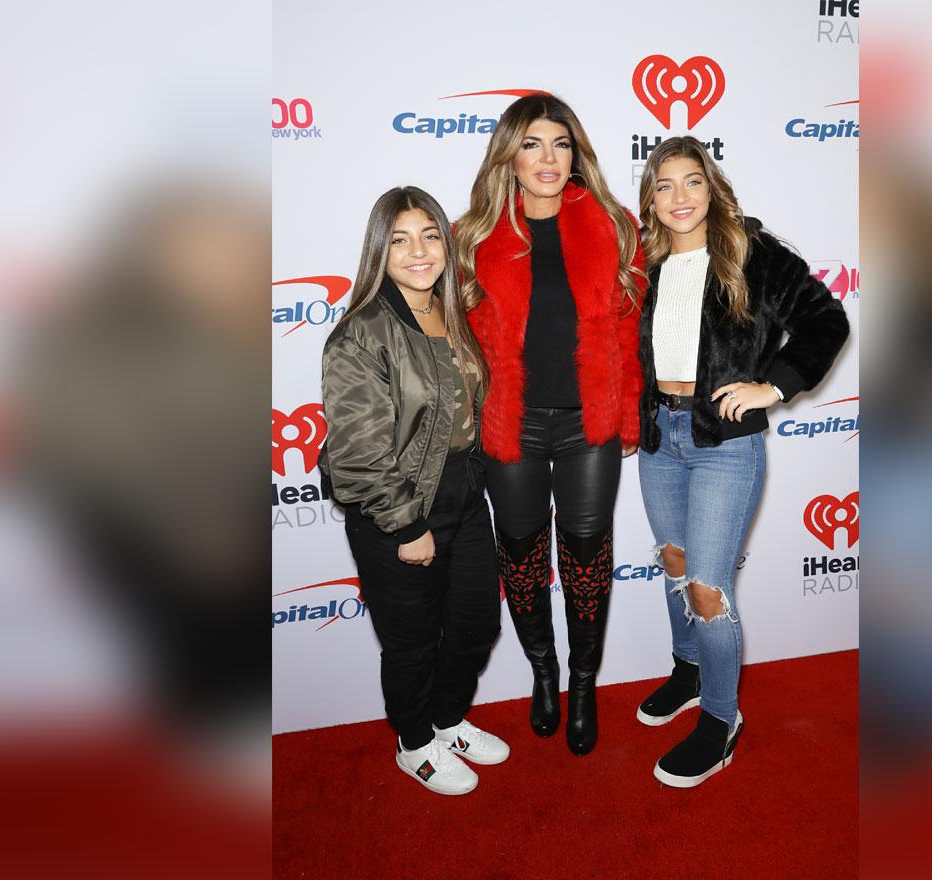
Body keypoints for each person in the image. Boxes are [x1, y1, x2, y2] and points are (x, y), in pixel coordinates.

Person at [633, 136, 850, 787]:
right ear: (652, 198)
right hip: (658, 439)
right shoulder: (643, 260)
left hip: (725, 445)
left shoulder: (750, 252)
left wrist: (775, 384)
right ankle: (689, 670)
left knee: (707, 587)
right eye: (664, 185)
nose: (679, 197)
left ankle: (721, 721)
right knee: (673, 560)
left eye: (691, 182)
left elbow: (825, 317)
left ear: (713, 187)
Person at [456, 94, 646, 756]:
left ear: (577, 155)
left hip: (588, 424)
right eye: (532, 143)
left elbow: (628, 333)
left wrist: (626, 417)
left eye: (560, 143)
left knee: (588, 558)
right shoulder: (471, 237)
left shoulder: (614, 227)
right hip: (510, 425)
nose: (547, 158)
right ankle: (544, 672)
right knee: (522, 557)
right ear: (508, 154)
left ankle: (585, 683)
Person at [321, 186, 507, 796]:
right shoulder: (362, 332)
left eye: (429, 235)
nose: (418, 250)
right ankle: (414, 741)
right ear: (380, 250)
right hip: (394, 507)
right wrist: (406, 526)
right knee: (412, 641)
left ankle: (448, 719)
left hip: (462, 491)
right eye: (399, 239)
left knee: (476, 622)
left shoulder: (452, 312)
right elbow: (355, 454)